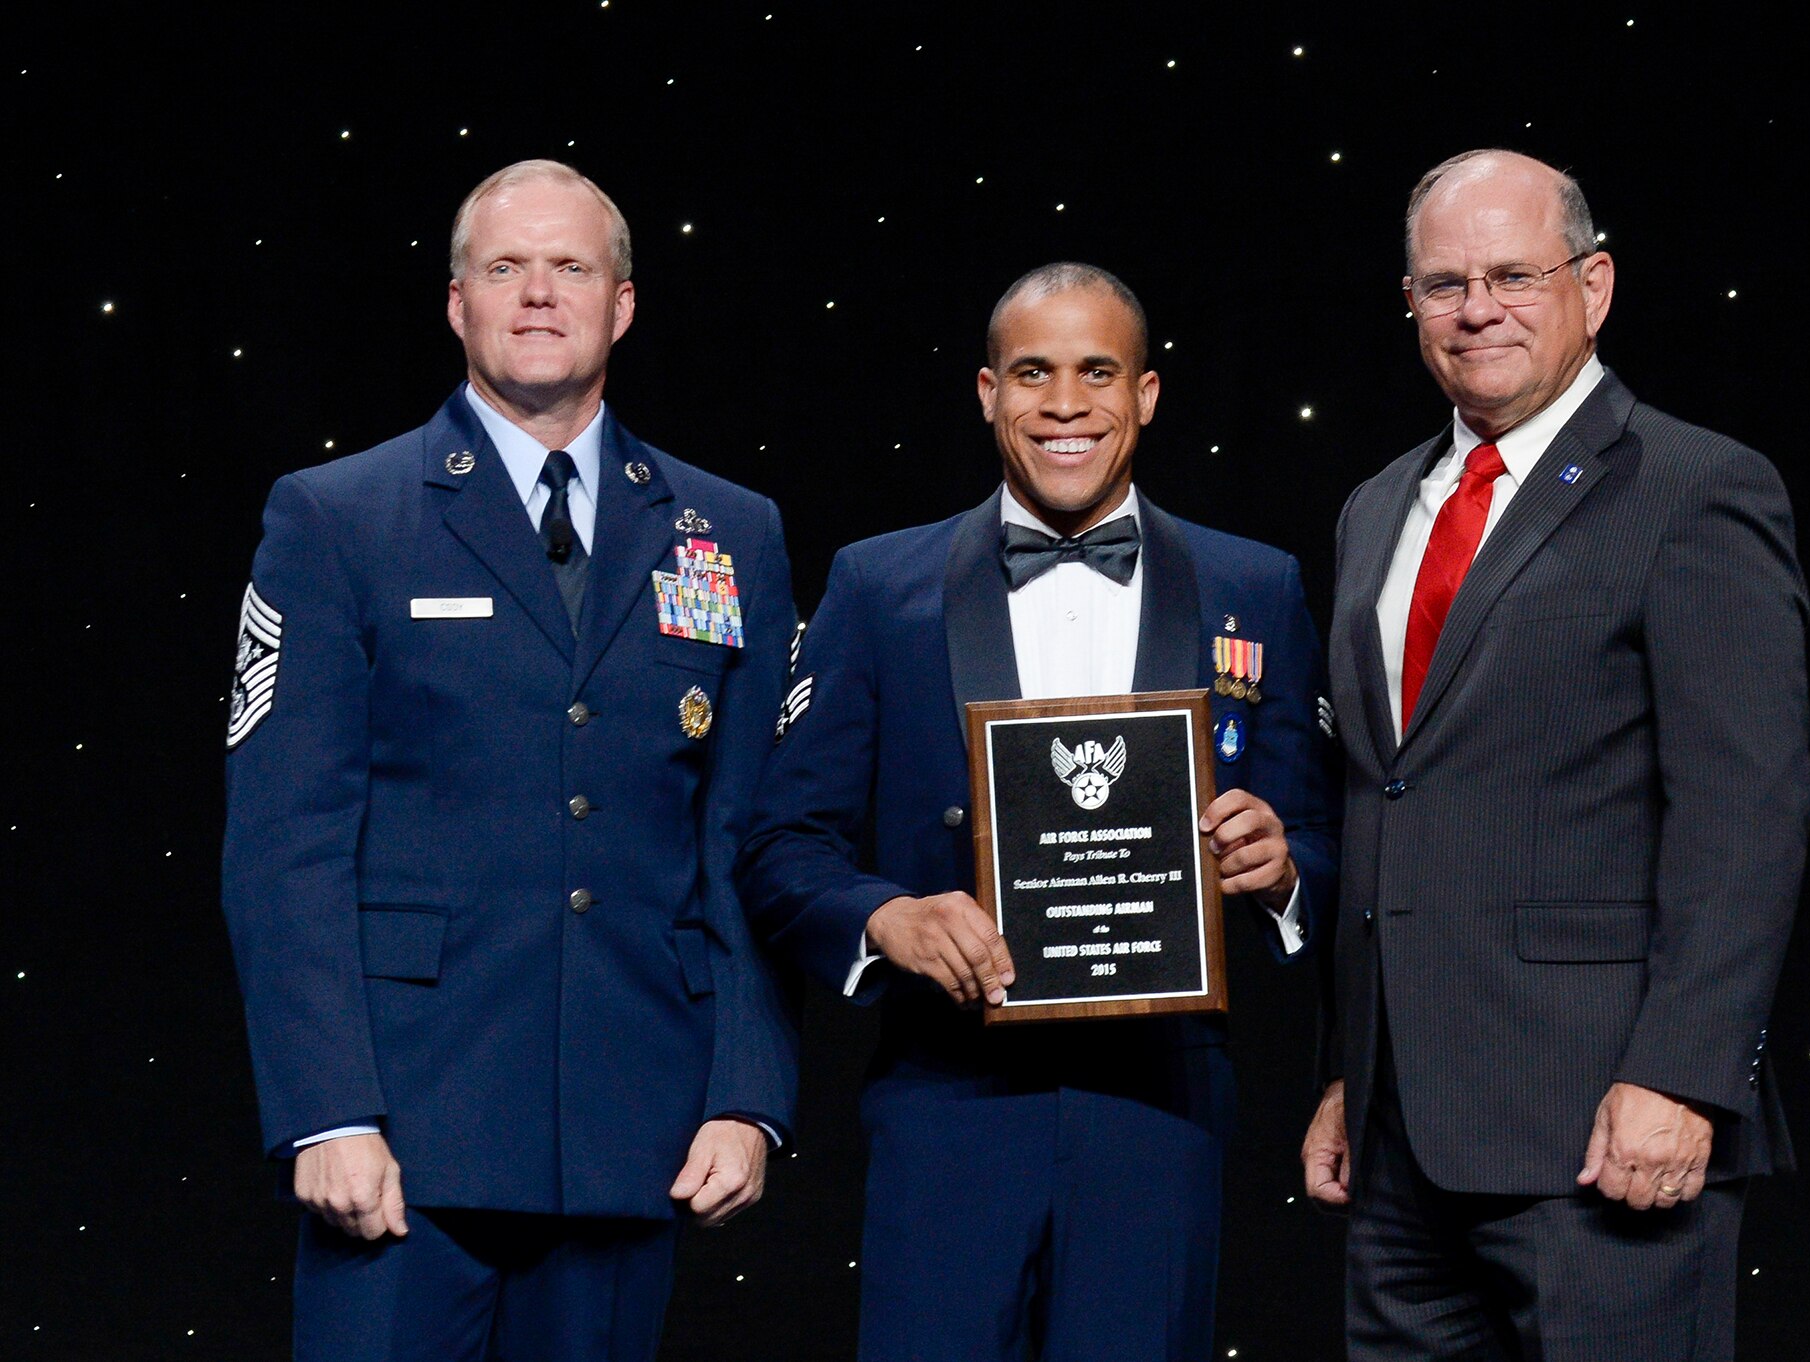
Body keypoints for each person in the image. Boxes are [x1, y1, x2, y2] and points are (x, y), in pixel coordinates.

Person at [220, 159, 798, 1361]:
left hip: (631, 1131)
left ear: (621, 304)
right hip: (401, 1141)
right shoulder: (337, 516)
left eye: (570, 267)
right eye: (505, 268)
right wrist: (326, 1108)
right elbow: (285, 848)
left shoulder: (729, 530)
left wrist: (747, 1095)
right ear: (456, 303)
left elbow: (741, 837)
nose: (538, 294)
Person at [739, 263, 1337, 1361]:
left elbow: (1324, 830)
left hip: (1161, 1108)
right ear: (985, 392)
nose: (1065, 403)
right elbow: (784, 844)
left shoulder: (1256, 583)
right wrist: (886, 919)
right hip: (946, 1101)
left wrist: (1284, 868)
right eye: (1032, 372)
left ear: (1145, 394)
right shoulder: (878, 587)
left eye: (1096, 371)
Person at [1301, 149, 1810, 1360]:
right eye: (1442, 283)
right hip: (1400, 1147)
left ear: (1594, 285)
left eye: (1512, 274)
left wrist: (1683, 1079)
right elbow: (1382, 800)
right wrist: (1345, 1072)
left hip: (1602, 1132)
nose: (1475, 308)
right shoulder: (1376, 507)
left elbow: (1745, 816)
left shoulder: (1695, 489)